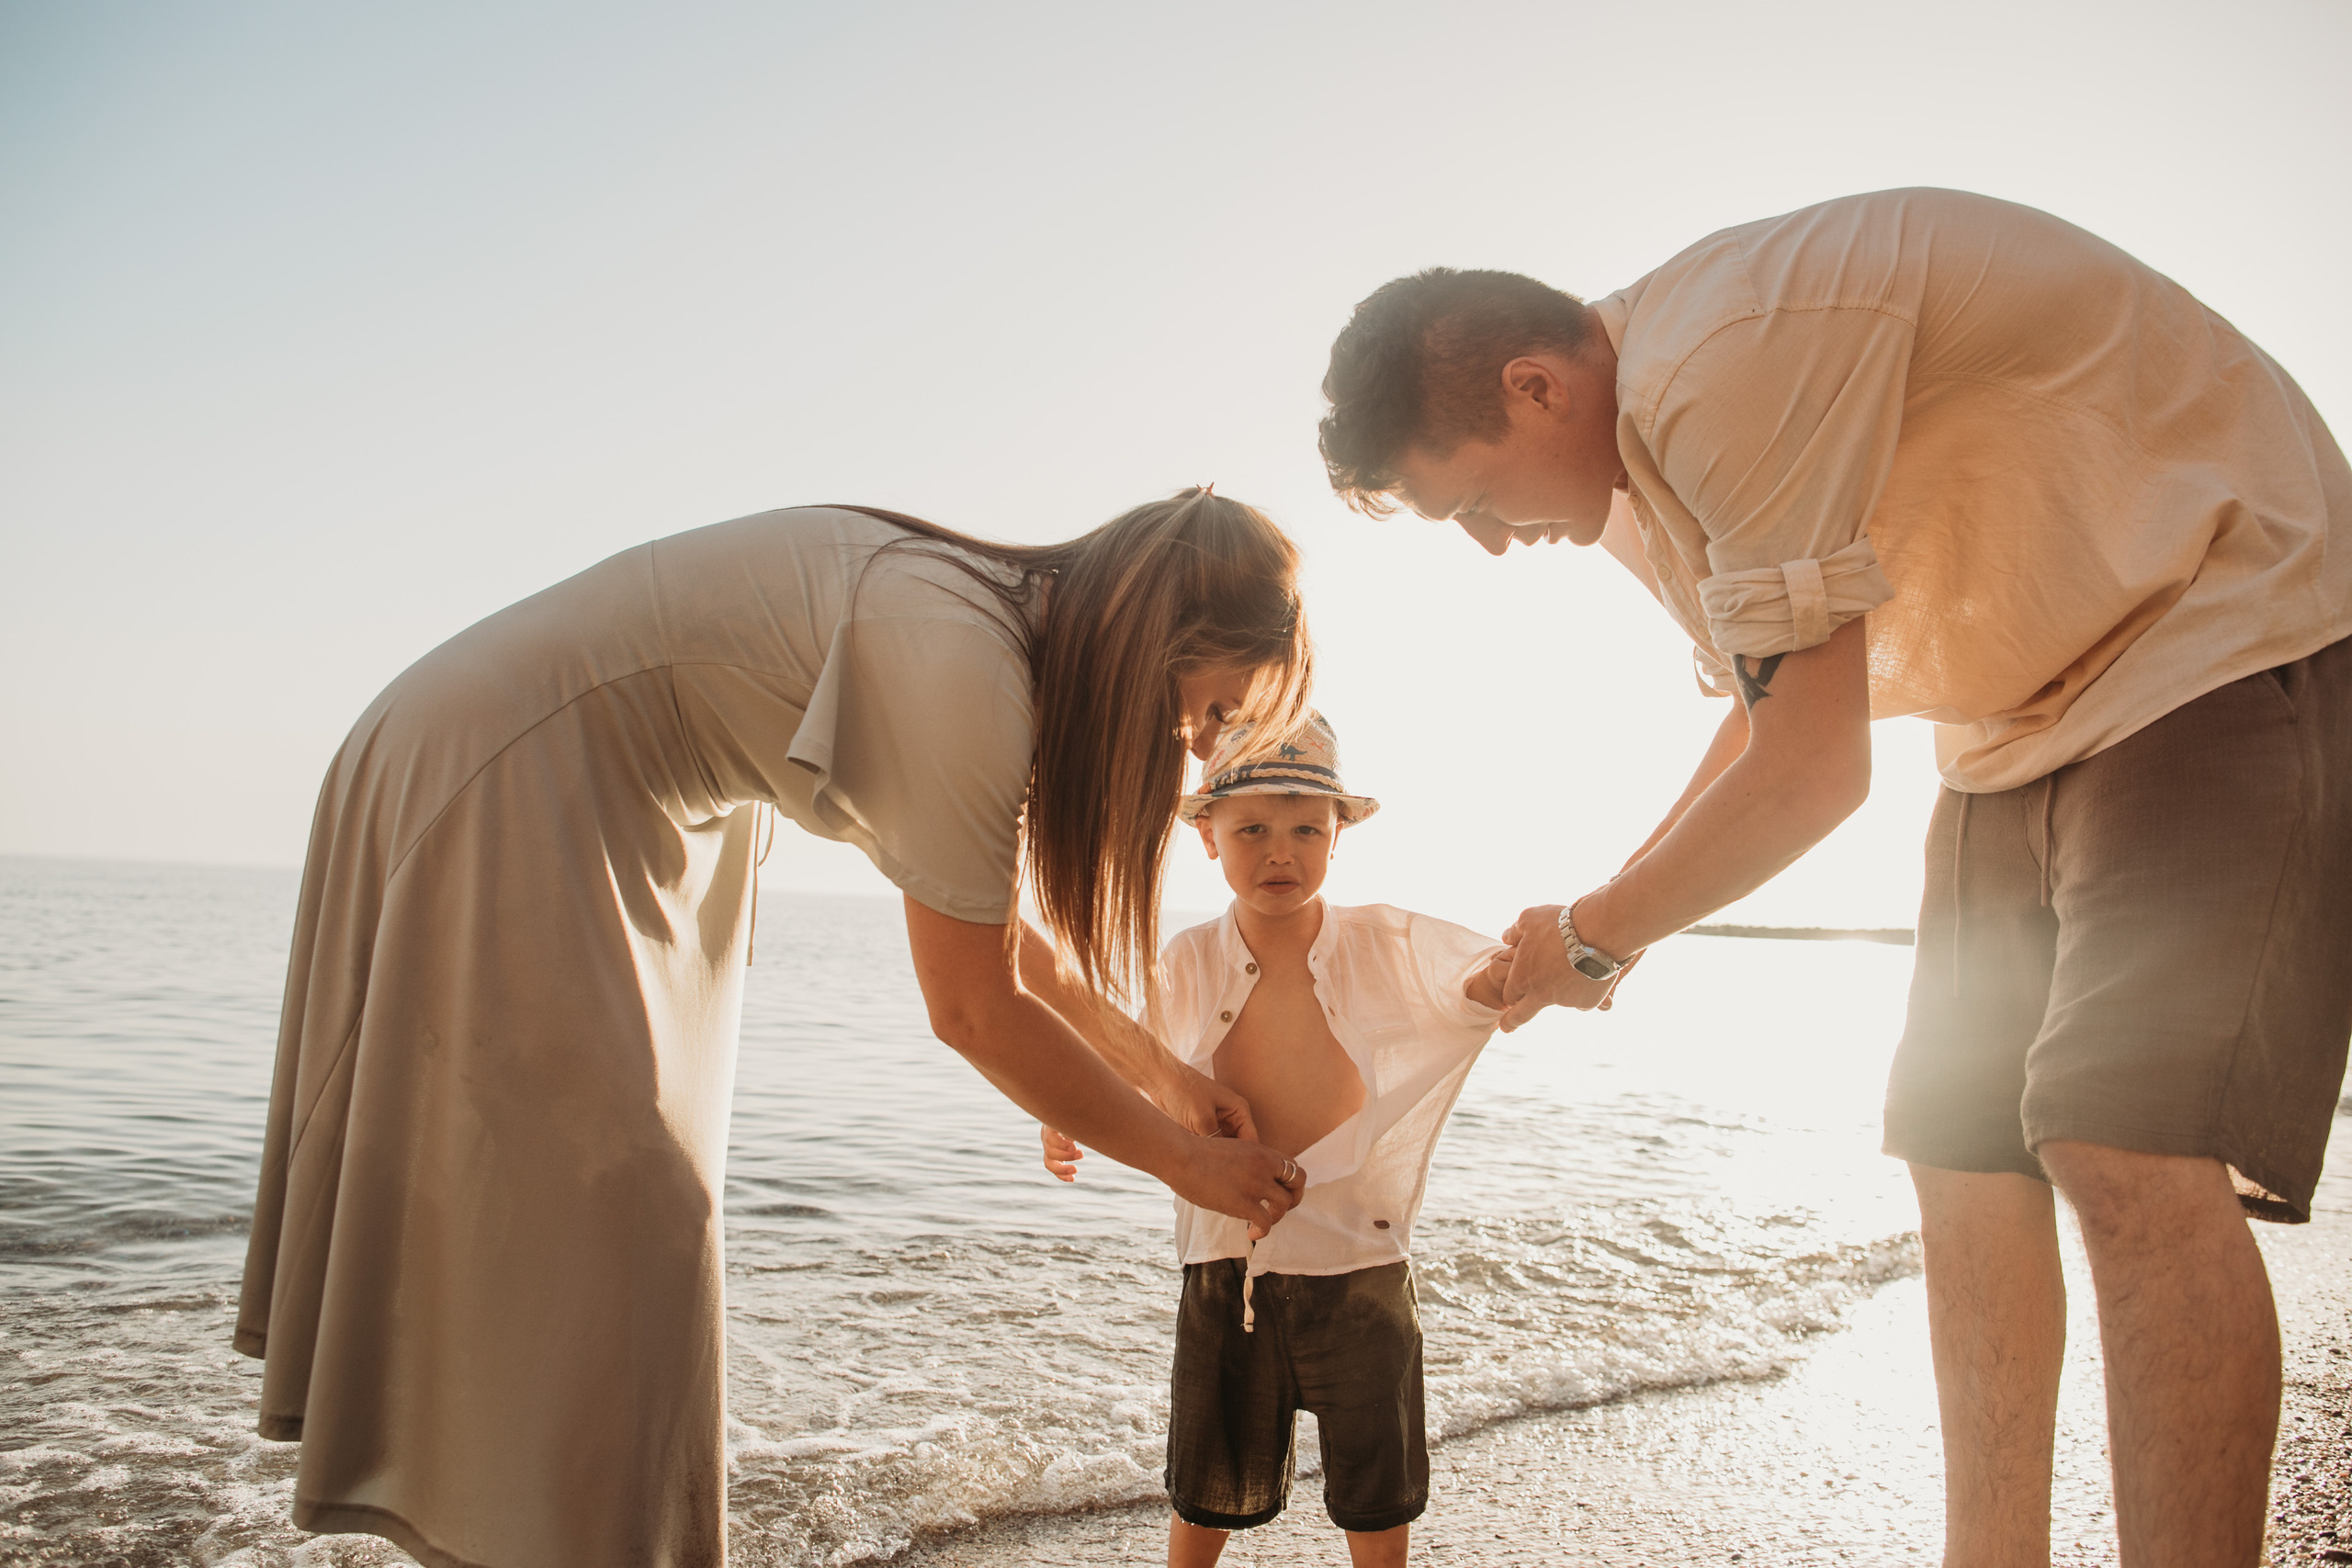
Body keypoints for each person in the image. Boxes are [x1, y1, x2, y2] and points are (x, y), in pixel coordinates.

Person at [1314, 188, 2352, 1567]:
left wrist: (1599, 934)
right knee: (1958, 1146)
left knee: (2121, 1136)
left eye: (1477, 498)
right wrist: (1606, 920)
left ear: (1535, 386)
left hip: (2215, 623)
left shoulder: (1717, 358)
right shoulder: (1634, 476)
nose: (1493, 541)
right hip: (2013, 726)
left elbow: (1816, 773)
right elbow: (1769, 717)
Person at [235, 489, 1315, 1568]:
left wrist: (1166, 1080)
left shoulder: (989, 638)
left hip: (633, 796)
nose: (1195, 749)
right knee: (625, 1216)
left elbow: (999, 936)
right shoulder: (959, 656)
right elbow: (974, 1009)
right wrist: (1184, 1163)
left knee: (595, 1234)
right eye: (1212, 709)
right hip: (516, 757)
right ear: (1156, 636)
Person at [1041, 714, 1507, 1568]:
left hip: (1358, 1262)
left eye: (1305, 830)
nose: (1279, 852)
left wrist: (1536, 969)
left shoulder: (1381, 943)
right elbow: (1135, 1057)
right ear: (1209, 837)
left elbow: (1470, 982)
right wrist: (1064, 1105)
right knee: (1206, 1484)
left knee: (1377, 1493)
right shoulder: (1188, 959)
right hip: (1229, 1266)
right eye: (1251, 829)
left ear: (1336, 836)